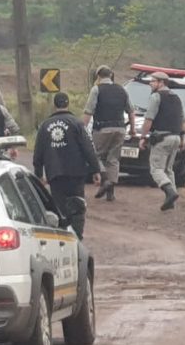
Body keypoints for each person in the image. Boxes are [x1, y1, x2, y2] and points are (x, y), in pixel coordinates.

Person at [33, 93, 102, 239]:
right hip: (76, 173)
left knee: (59, 208)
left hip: (55, 174)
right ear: (68, 104)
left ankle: (63, 235)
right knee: (78, 206)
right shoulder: (77, 123)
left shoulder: (45, 126)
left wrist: (39, 174)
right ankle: (77, 236)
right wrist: (96, 170)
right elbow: (88, 148)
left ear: (54, 105)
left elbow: (38, 153)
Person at [82, 65, 136, 202]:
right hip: (120, 129)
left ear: (98, 76)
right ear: (111, 75)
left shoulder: (96, 89)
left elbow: (89, 111)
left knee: (95, 155)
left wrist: (82, 129)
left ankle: (105, 180)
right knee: (113, 159)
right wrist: (133, 129)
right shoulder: (122, 90)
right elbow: (131, 111)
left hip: (102, 128)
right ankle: (110, 193)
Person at [138, 71, 185, 211]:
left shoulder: (156, 97)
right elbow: (183, 121)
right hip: (176, 138)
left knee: (156, 169)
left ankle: (170, 192)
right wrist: (182, 139)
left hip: (162, 138)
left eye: (153, 81)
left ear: (161, 83)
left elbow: (149, 119)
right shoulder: (177, 98)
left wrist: (143, 137)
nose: (150, 83)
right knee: (168, 169)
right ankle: (171, 200)